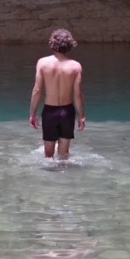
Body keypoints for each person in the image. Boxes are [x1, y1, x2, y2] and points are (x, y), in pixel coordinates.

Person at [28, 28, 86, 160]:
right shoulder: (75, 66)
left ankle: (49, 179)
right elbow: (78, 94)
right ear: (69, 45)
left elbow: (37, 90)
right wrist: (81, 115)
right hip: (67, 111)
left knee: (48, 156)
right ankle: (64, 178)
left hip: (50, 112)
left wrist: (32, 113)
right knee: (64, 154)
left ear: (52, 43)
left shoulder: (42, 63)